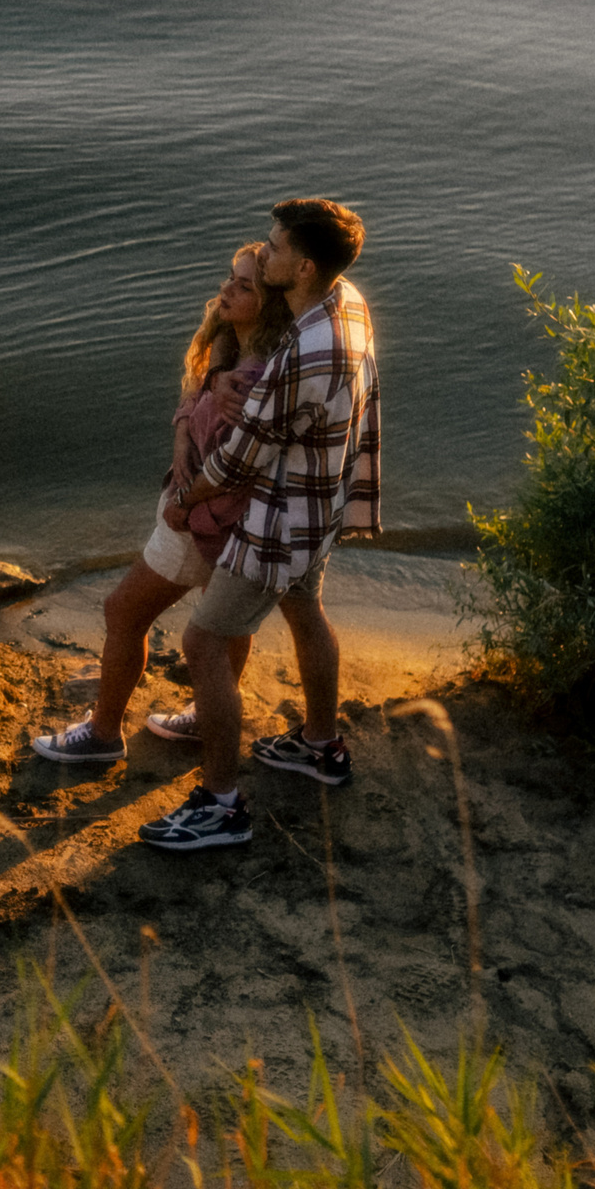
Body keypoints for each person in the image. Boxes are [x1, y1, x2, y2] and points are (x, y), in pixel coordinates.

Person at [138, 197, 379, 853]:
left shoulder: (303, 350)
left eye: (272, 248)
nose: (263, 253)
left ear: (301, 265)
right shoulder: (346, 299)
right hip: (324, 499)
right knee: (305, 611)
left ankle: (221, 804)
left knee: (204, 643)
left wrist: (185, 504)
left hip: (282, 516)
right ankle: (320, 745)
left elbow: (240, 458)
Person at [29, 243, 292, 765]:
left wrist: (181, 502)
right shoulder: (225, 349)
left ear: (267, 304)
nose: (226, 290)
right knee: (225, 627)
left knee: (123, 611)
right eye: (229, 278)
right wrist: (180, 439)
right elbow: (192, 401)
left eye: (244, 286)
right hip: (208, 516)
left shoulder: (249, 377)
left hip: (199, 518)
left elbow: (233, 466)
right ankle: (201, 714)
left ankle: (103, 735)